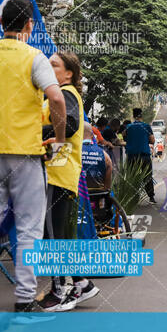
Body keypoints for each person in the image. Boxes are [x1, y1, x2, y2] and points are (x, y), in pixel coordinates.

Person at [0, 0, 66, 313]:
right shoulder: (34, 57)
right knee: (29, 229)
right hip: (24, 155)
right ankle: (24, 300)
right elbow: (56, 98)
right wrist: (60, 138)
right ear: (28, 25)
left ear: (1, 24)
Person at [37, 51, 100, 312]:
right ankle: (81, 283)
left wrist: (30, 132)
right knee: (56, 233)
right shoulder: (63, 94)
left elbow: (71, 125)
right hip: (60, 172)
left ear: (68, 73)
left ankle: (59, 291)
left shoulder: (64, 94)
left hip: (58, 172)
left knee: (51, 235)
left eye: (54, 65)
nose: (48, 68)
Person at [123, 108, 156, 203]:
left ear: (133, 116)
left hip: (131, 156)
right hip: (144, 155)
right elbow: (152, 140)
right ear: (141, 116)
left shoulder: (128, 127)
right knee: (147, 176)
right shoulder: (146, 126)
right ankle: (151, 197)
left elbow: (124, 137)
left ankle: (133, 198)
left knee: (132, 176)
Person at [81, 122, 113, 191]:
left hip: (77, 196)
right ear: (92, 136)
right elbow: (107, 187)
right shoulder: (105, 155)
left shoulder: (72, 152)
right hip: (98, 196)